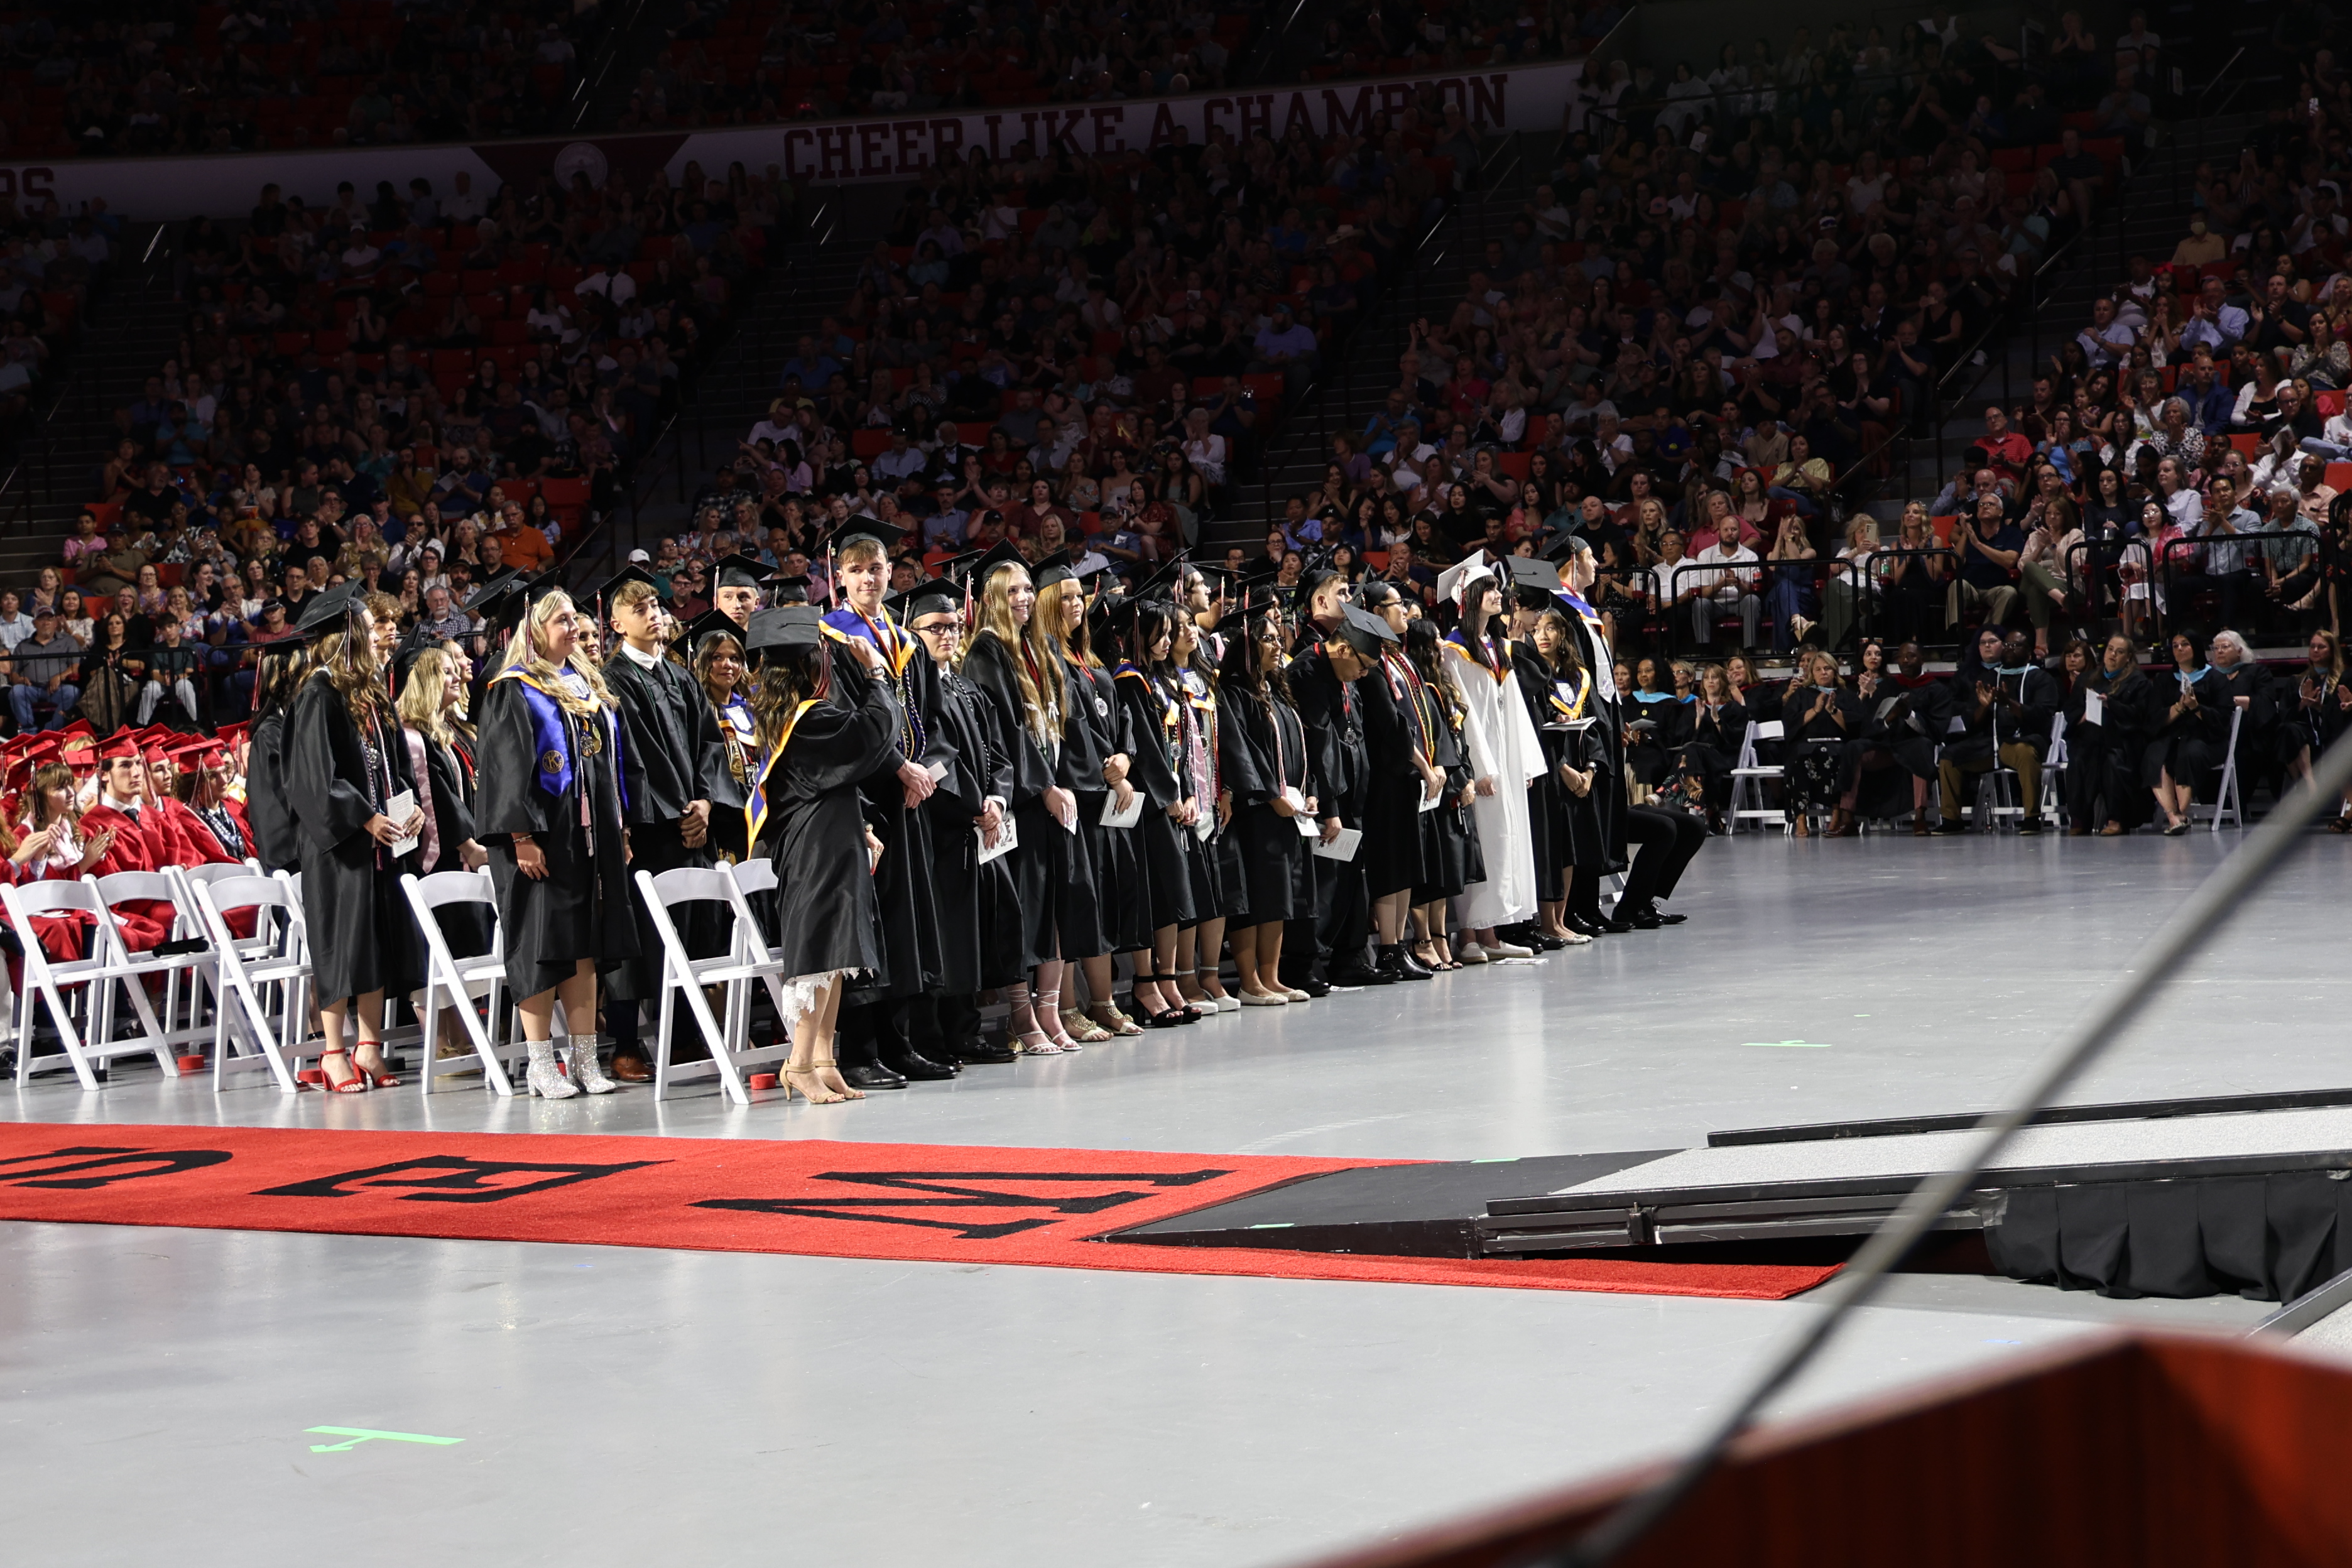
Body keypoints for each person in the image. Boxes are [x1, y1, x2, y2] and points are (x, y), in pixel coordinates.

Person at [476, 582, 636, 1098]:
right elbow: (505, 767)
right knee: (543, 950)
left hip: (587, 837)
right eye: (562, 620)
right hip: (540, 838)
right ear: (535, 628)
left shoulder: (583, 682)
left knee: (584, 946)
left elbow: (608, 762)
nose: (574, 628)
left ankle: (585, 1061)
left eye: (574, 618)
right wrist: (521, 836)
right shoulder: (514, 688)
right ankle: (542, 1065)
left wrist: (619, 827)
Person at [742, 604, 896, 1103]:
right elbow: (872, 733)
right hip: (815, 847)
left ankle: (825, 1060)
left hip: (830, 837)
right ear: (813, 664)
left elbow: (828, 781)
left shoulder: (795, 717)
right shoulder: (809, 719)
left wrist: (861, 825)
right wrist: (875, 674)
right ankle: (799, 1063)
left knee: (836, 951)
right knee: (819, 952)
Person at [822, 519, 954, 1083]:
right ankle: (859, 1051)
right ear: (841, 578)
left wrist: (925, 773)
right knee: (870, 921)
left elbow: (938, 723)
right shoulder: (835, 640)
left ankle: (899, 1044)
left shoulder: (906, 643)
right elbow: (844, 726)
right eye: (857, 570)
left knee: (906, 923)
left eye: (876, 569)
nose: (869, 579)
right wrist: (898, 767)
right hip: (866, 800)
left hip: (911, 800)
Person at [284, 585, 428, 1092]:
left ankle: (369, 1046)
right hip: (339, 847)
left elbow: (397, 765)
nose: (377, 637)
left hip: (383, 841)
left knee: (376, 942)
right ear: (344, 637)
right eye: (368, 630)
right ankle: (332, 1051)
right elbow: (312, 779)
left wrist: (409, 808)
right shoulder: (317, 695)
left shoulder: (371, 694)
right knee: (341, 944)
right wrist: (364, 818)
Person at [963, 546, 1100, 1047]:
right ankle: (1022, 1017)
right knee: (1026, 912)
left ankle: (1051, 1012)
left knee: (1059, 907)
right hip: (1019, 802)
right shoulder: (986, 652)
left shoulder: (1038, 648)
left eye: (1027, 589)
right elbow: (1005, 731)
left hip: (1054, 796)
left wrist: (1066, 782)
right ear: (992, 599)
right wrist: (1043, 786)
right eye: (1012, 591)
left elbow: (1065, 724)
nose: (1023, 597)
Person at [599, 568, 717, 1082]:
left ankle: (685, 1036)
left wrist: (705, 803)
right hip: (645, 830)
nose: (654, 615)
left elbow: (709, 744)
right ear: (617, 623)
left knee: (688, 932)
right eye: (640, 608)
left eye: (656, 606)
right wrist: (675, 812)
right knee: (637, 940)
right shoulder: (612, 680)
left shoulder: (680, 676)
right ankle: (625, 1044)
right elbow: (626, 759)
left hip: (690, 826)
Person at [897, 575, 1021, 1065]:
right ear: (914, 632)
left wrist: (997, 800)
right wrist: (971, 805)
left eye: (952, 626)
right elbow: (932, 758)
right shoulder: (911, 693)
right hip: (938, 827)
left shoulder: (969, 689)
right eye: (935, 627)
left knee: (971, 934)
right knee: (942, 934)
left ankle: (965, 1031)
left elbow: (999, 755)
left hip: (978, 829)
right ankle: (931, 1038)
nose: (947, 635)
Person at [395, 637, 492, 1060]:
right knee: (438, 945)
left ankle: (460, 1037)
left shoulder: (443, 730)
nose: (456, 677)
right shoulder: (411, 736)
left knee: (459, 943)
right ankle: (440, 1041)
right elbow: (435, 797)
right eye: (445, 672)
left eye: (455, 670)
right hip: (433, 859)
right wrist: (469, 844)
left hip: (455, 853)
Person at [1439, 555, 1539, 961]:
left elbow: (1513, 707)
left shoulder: (1495, 647)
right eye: (1491, 589)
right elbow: (1461, 715)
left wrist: (1525, 762)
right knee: (1480, 843)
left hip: (1506, 757)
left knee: (1502, 843)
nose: (1499, 594)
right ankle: (1468, 936)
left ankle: (1491, 934)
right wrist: (1480, 768)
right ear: (1470, 598)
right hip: (1479, 763)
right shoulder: (1453, 650)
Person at [1216, 594, 1314, 1000]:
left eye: (1278, 638)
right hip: (1255, 809)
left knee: (1278, 894)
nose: (1278, 645)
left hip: (1286, 808)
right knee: (1255, 895)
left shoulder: (1276, 691)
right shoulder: (1234, 692)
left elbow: (1297, 747)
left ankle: (1271, 977)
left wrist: (1307, 793)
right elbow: (1240, 751)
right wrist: (1272, 795)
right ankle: (1250, 981)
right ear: (1248, 645)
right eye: (1268, 639)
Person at [1935, 627, 2060, 834]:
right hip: (1989, 743)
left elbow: (2041, 716)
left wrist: (2008, 702)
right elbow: (1972, 722)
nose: (2010, 649)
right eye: (2007, 645)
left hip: (2022, 741)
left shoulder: (2041, 679)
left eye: (2016, 645)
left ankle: (2031, 817)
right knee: (1949, 756)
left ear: (2029, 652)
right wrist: (1983, 707)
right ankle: (1951, 819)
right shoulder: (1990, 677)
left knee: (2026, 753)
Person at [2059, 634, 2156, 836]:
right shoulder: (2087, 679)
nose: (2113, 655)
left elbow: (2140, 715)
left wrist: (2111, 705)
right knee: (2079, 758)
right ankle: (2080, 819)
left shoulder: (2138, 681)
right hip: (2091, 737)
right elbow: (2071, 709)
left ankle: (2116, 819)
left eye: (2120, 652)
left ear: (2128, 658)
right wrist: (2083, 716)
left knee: (2112, 761)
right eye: (2110, 649)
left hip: (2123, 739)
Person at [2147, 629, 2229, 834]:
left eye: (2185, 644)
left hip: (2206, 739)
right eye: (2175, 646)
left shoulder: (2215, 678)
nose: (2179, 649)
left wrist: (2196, 707)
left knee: (2189, 753)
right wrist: (2178, 707)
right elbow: (2154, 718)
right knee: (2154, 755)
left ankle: (2181, 813)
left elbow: (2222, 719)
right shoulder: (2164, 680)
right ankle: (2173, 817)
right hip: (2172, 737)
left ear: (2196, 648)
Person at [1782, 650, 1866, 836]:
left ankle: (1837, 815)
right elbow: (1790, 722)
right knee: (1800, 758)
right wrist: (1815, 709)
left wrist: (1832, 710)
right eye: (1818, 669)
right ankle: (1801, 819)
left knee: (1841, 757)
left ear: (1835, 672)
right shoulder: (1801, 694)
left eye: (1827, 668)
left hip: (1838, 745)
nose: (1823, 673)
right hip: (1805, 745)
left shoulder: (1846, 696)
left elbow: (1856, 726)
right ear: (1812, 674)